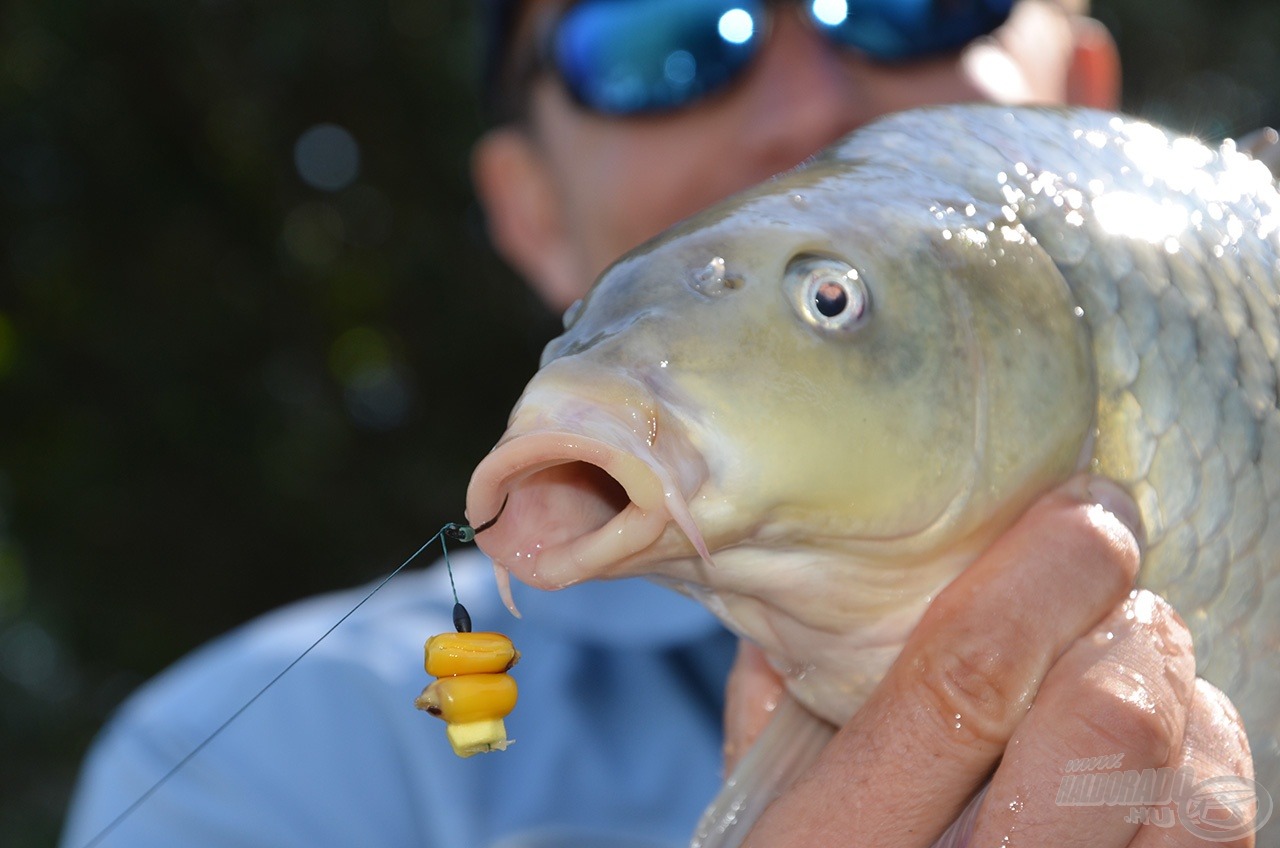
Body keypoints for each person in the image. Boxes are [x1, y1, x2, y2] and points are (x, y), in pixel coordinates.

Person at [60, 1, 1255, 847]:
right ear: (527, 217)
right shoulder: (271, 774)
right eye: (655, 37)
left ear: (1088, 106)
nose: (802, 100)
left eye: (910, 4)